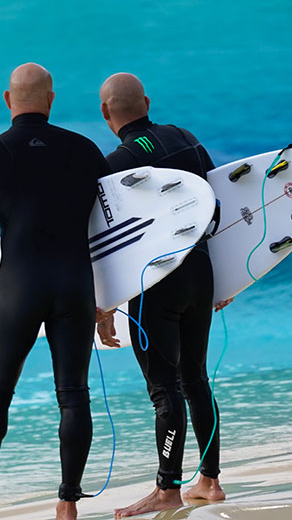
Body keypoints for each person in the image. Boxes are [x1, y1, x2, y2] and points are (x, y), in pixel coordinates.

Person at [0, 63, 111, 520]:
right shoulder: (84, 150)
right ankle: (67, 505)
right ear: (51, 99)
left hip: (19, 285)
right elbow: (115, 222)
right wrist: (108, 298)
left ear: (9, 100)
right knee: (73, 394)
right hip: (73, 286)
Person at [95, 72, 228, 518]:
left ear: (105, 112)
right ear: (147, 102)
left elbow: (110, 242)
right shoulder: (185, 138)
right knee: (196, 379)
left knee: (164, 389)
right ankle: (209, 481)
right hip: (202, 272)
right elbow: (215, 207)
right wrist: (226, 280)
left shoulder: (114, 166)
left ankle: (167, 489)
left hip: (157, 285)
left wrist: (104, 303)